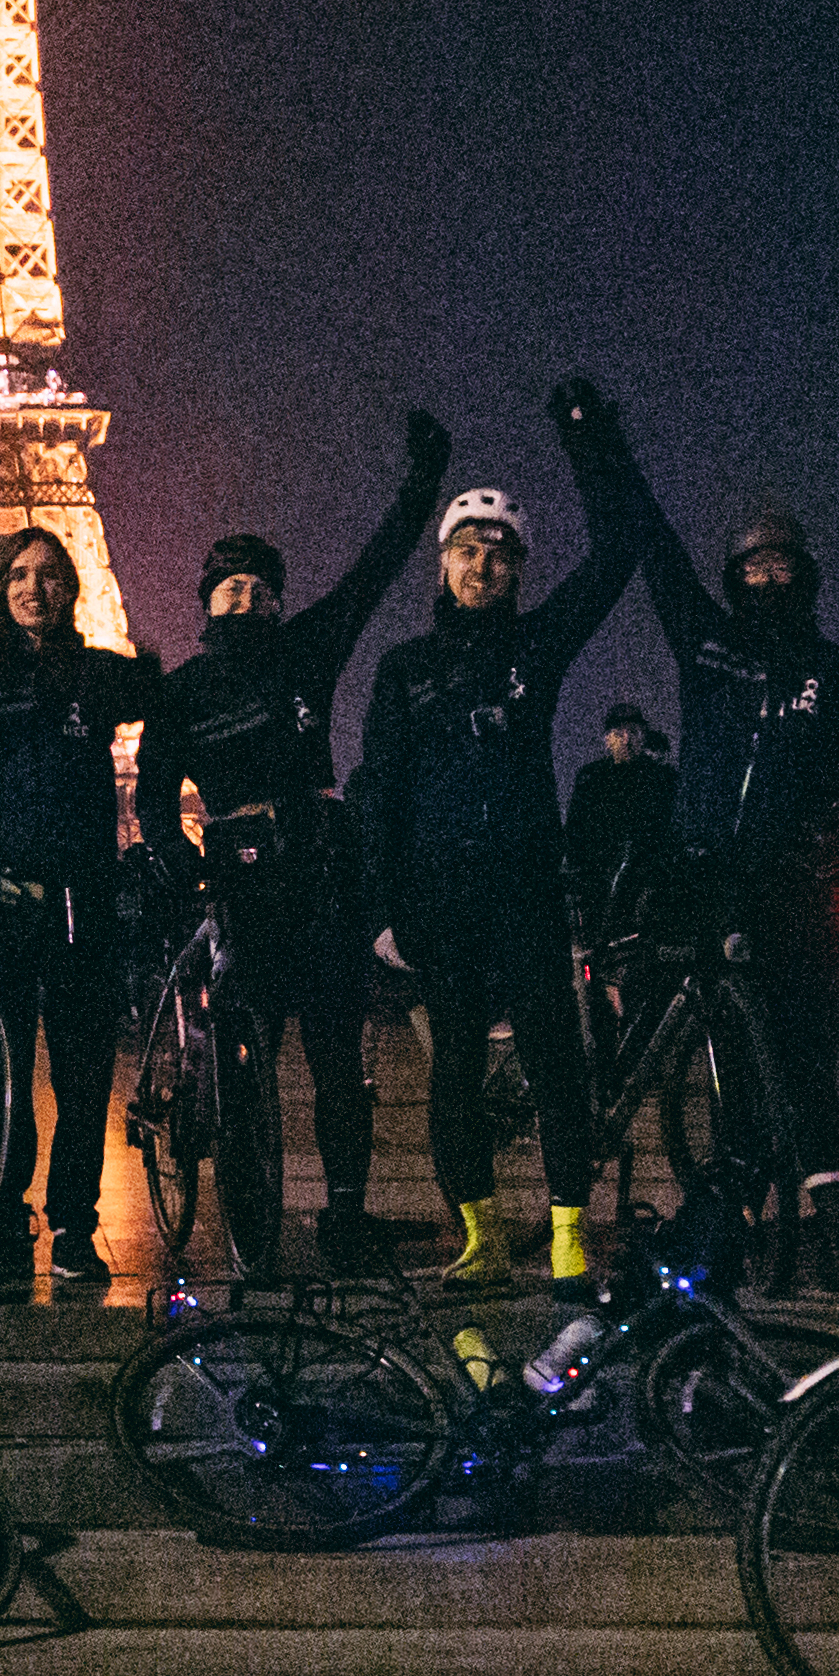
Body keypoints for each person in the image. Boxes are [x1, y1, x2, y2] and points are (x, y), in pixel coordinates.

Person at [129, 410, 452, 1269]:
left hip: (320, 877)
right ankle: (252, 1221)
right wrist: (176, 857)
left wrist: (420, 487)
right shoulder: (183, 690)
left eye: (260, 587)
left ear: (279, 598)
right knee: (246, 1068)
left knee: (339, 1061)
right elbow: (156, 794)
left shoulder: (309, 648)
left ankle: (345, 1215)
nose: (247, 598)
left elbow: (374, 574)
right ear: (206, 603)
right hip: (243, 889)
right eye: (230, 588)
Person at [571, 403, 839, 1282]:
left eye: (783, 566)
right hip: (709, 878)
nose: (768, 580)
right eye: (753, 568)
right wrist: (599, 443)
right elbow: (654, 540)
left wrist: (838, 838)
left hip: (797, 883)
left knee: (807, 1052)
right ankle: (734, 1217)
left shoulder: (835, 670)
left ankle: (838, 1219)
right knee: (732, 1061)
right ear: (734, 578)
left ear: (805, 576)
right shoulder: (706, 643)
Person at [356, 385, 647, 1291]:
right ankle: (478, 1233)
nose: (485, 567)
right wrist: (381, 911)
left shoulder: (537, 646)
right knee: (451, 1083)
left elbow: (618, 553)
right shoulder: (404, 668)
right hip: (439, 899)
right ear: (440, 565)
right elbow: (380, 793)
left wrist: (584, 437)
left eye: (501, 556)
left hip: (524, 891)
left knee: (558, 1064)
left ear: (519, 573)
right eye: (469, 552)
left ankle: (566, 1231)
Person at [0, 524, 165, 1281]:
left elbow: (169, 700)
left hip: (78, 906)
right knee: (1, 1078)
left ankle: (72, 1224)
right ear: (1, 587)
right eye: (21, 574)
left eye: (51, 575)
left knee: (84, 1077)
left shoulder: (95, 676)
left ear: (71, 589)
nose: (35, 587)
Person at [566, 706, 676, 941]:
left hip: (644, 876)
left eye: (633, 732)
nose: (626, 740)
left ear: (643, 737)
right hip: (597, 876)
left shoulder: (661, 778)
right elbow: (575, 829)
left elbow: (668, 830)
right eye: (619, 733)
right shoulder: (591, 777)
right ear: (607, 740)